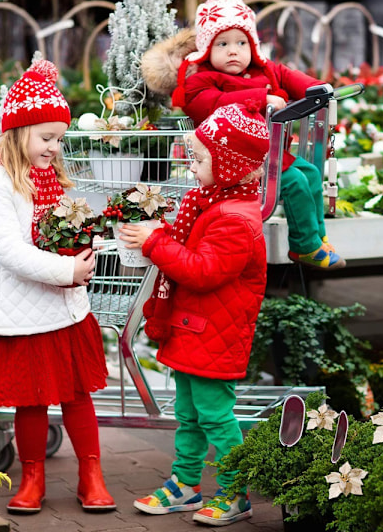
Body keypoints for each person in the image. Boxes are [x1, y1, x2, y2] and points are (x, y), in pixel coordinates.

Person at [0, 57, 115, 515]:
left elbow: (60, 226)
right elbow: (11, 252)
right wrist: (67, 271)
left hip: (63, 305)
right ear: (18, 132)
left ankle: (91, 475)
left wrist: (87, 237)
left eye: (59, 140)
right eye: (47, 138)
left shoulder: (45, 175)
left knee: (76, 394)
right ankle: (32, 477)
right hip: (23, 307)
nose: (55, 148)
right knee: (29, 401)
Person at [120, 101, 269, 527]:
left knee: (216, 417)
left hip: (215, 335)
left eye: (202, 159)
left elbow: (202, 271)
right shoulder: (209, 200)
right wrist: (160, 233)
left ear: (229, 165)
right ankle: (186, 483)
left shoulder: (236, 220)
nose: (192, 166)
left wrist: (154, 242)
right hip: (194, 331)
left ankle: (236, 492)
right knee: (187, 413)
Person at [141, 0, 345, 270]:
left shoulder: (265, 70)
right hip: (235, 164)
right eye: (222, 44)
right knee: (295, 183)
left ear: (253, 46)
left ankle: (317, 239)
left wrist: (320, 91)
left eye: (242, 43)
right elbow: (211, 105)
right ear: (207, 49)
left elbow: (289, 76)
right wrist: (261, 99)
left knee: (312, 175)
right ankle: (304, 245)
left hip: (268, 154)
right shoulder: (202, 80)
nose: (233, 51)